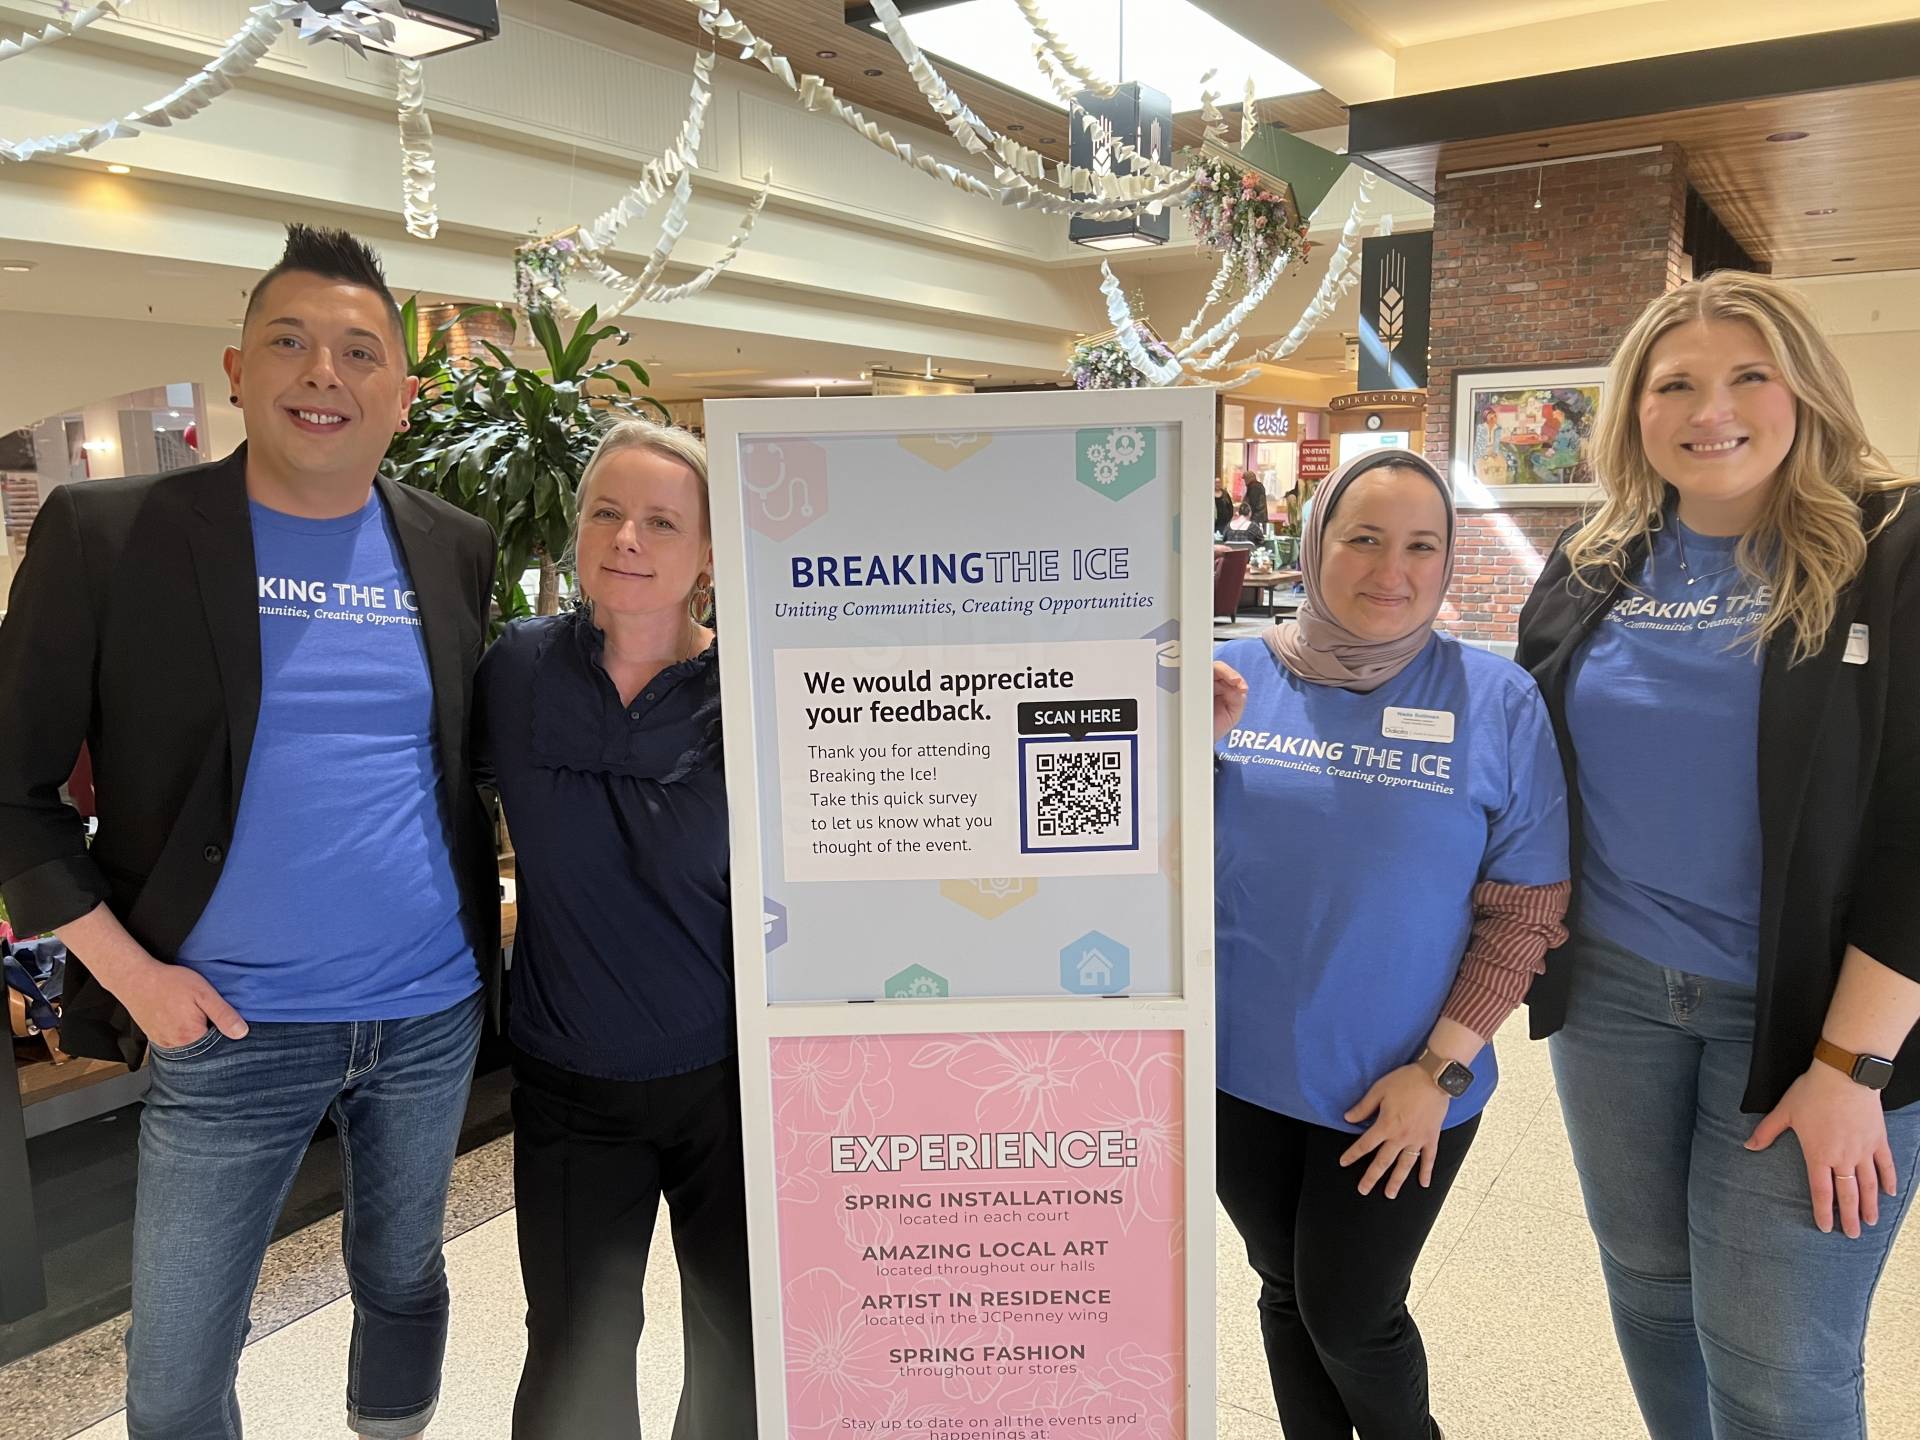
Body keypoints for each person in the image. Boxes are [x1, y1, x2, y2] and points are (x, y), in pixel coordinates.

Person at [0, 224, 500, 1439]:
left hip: (427, 1014)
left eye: (357, 351)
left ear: (403, 392)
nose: (322, 372)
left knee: (403, 1281)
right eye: (289, 342)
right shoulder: (112, 536)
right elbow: (11, 793)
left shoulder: (450, 543)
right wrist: (137, 980)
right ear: (236, 368)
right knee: (177, 1371)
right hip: (223, 1027)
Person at [1516, 269, 1920, 1439]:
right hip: (1613, 1001)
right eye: (1675, 383)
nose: (1712, 408)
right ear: (1634, 409)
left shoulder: (1890, 550)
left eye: (1750, 375)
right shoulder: (1594, 560)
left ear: (1805, 388)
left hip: (1812, 1018)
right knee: (1649, 1295)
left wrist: (1853, 1071)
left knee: (1777, 1363)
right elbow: (1513, 753)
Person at [1211, 449, 1570, 1440]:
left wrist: (1440, 1075)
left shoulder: (1497, 702)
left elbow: (1526, 911)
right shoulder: (1230, 680)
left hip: (1404, 1086)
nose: (1390, 568)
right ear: (1316, 542)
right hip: (1236, 1078)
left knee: (1352, 1314)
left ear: (1449, 561)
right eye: (1362, 538)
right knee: (1283, 1290)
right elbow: (1152, 862)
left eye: (1420, 545)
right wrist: (1171, 752)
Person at [474, 419, 754, 1438]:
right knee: (578, 1361)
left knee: (742, 1354)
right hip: (569, 1088)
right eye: (607, 512)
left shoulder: (757, 690)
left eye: (661, 521)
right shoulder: (514, 669)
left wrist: (1167, 725)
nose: (627, 537)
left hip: (729, 1086)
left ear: (710, 556)